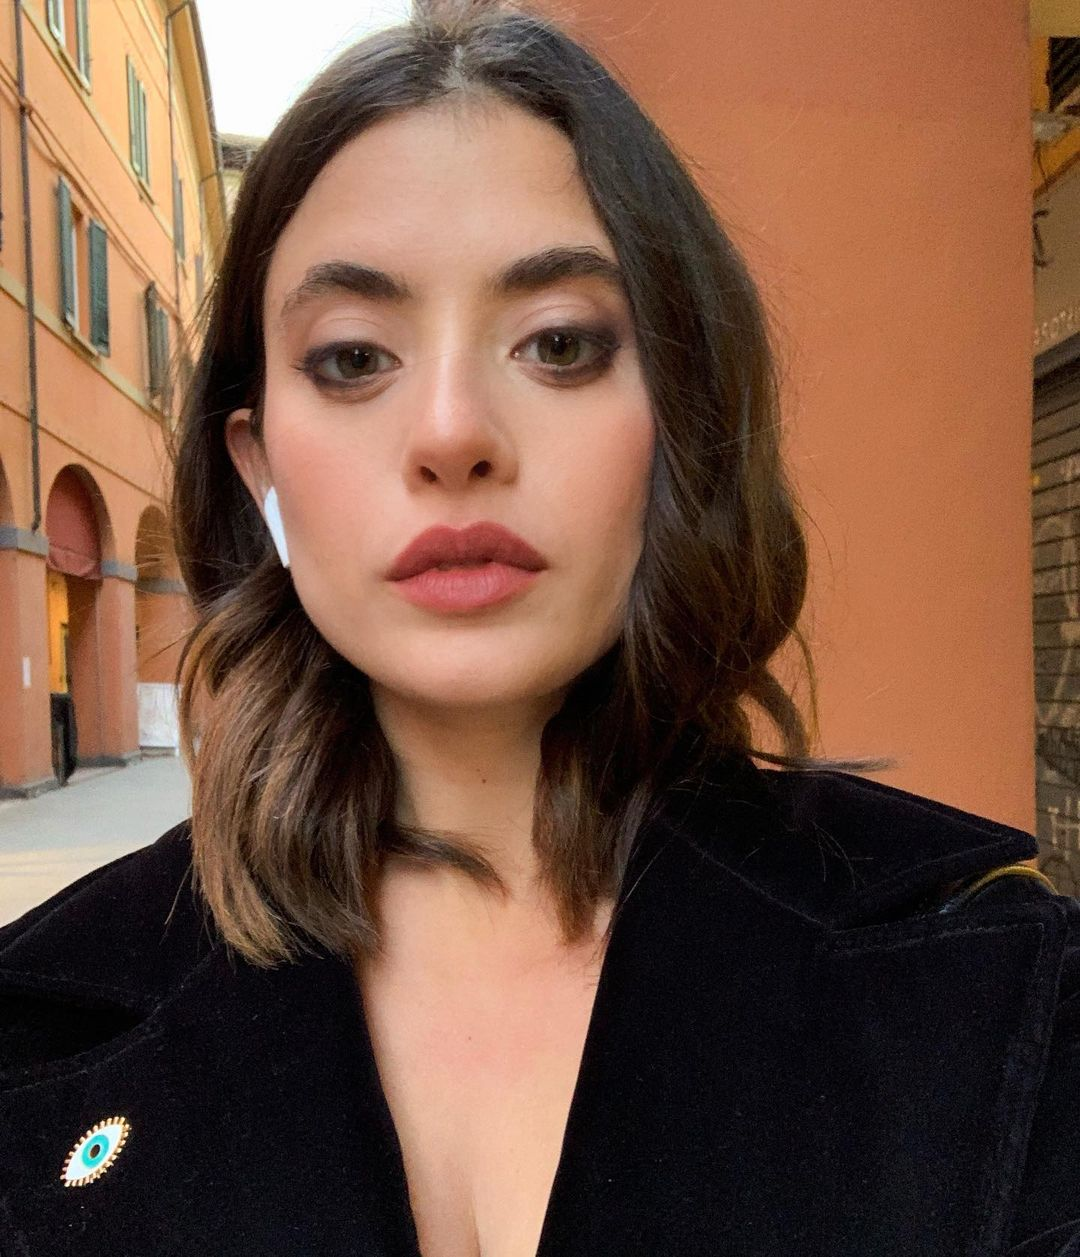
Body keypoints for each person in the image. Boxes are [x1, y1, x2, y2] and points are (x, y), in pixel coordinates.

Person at [1, 2, 1077, 1254]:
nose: (453, 433)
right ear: (258, 466)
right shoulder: (39, 1029)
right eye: (353, 359)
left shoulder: (999, 993)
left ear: (679, 416)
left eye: (559, 343)